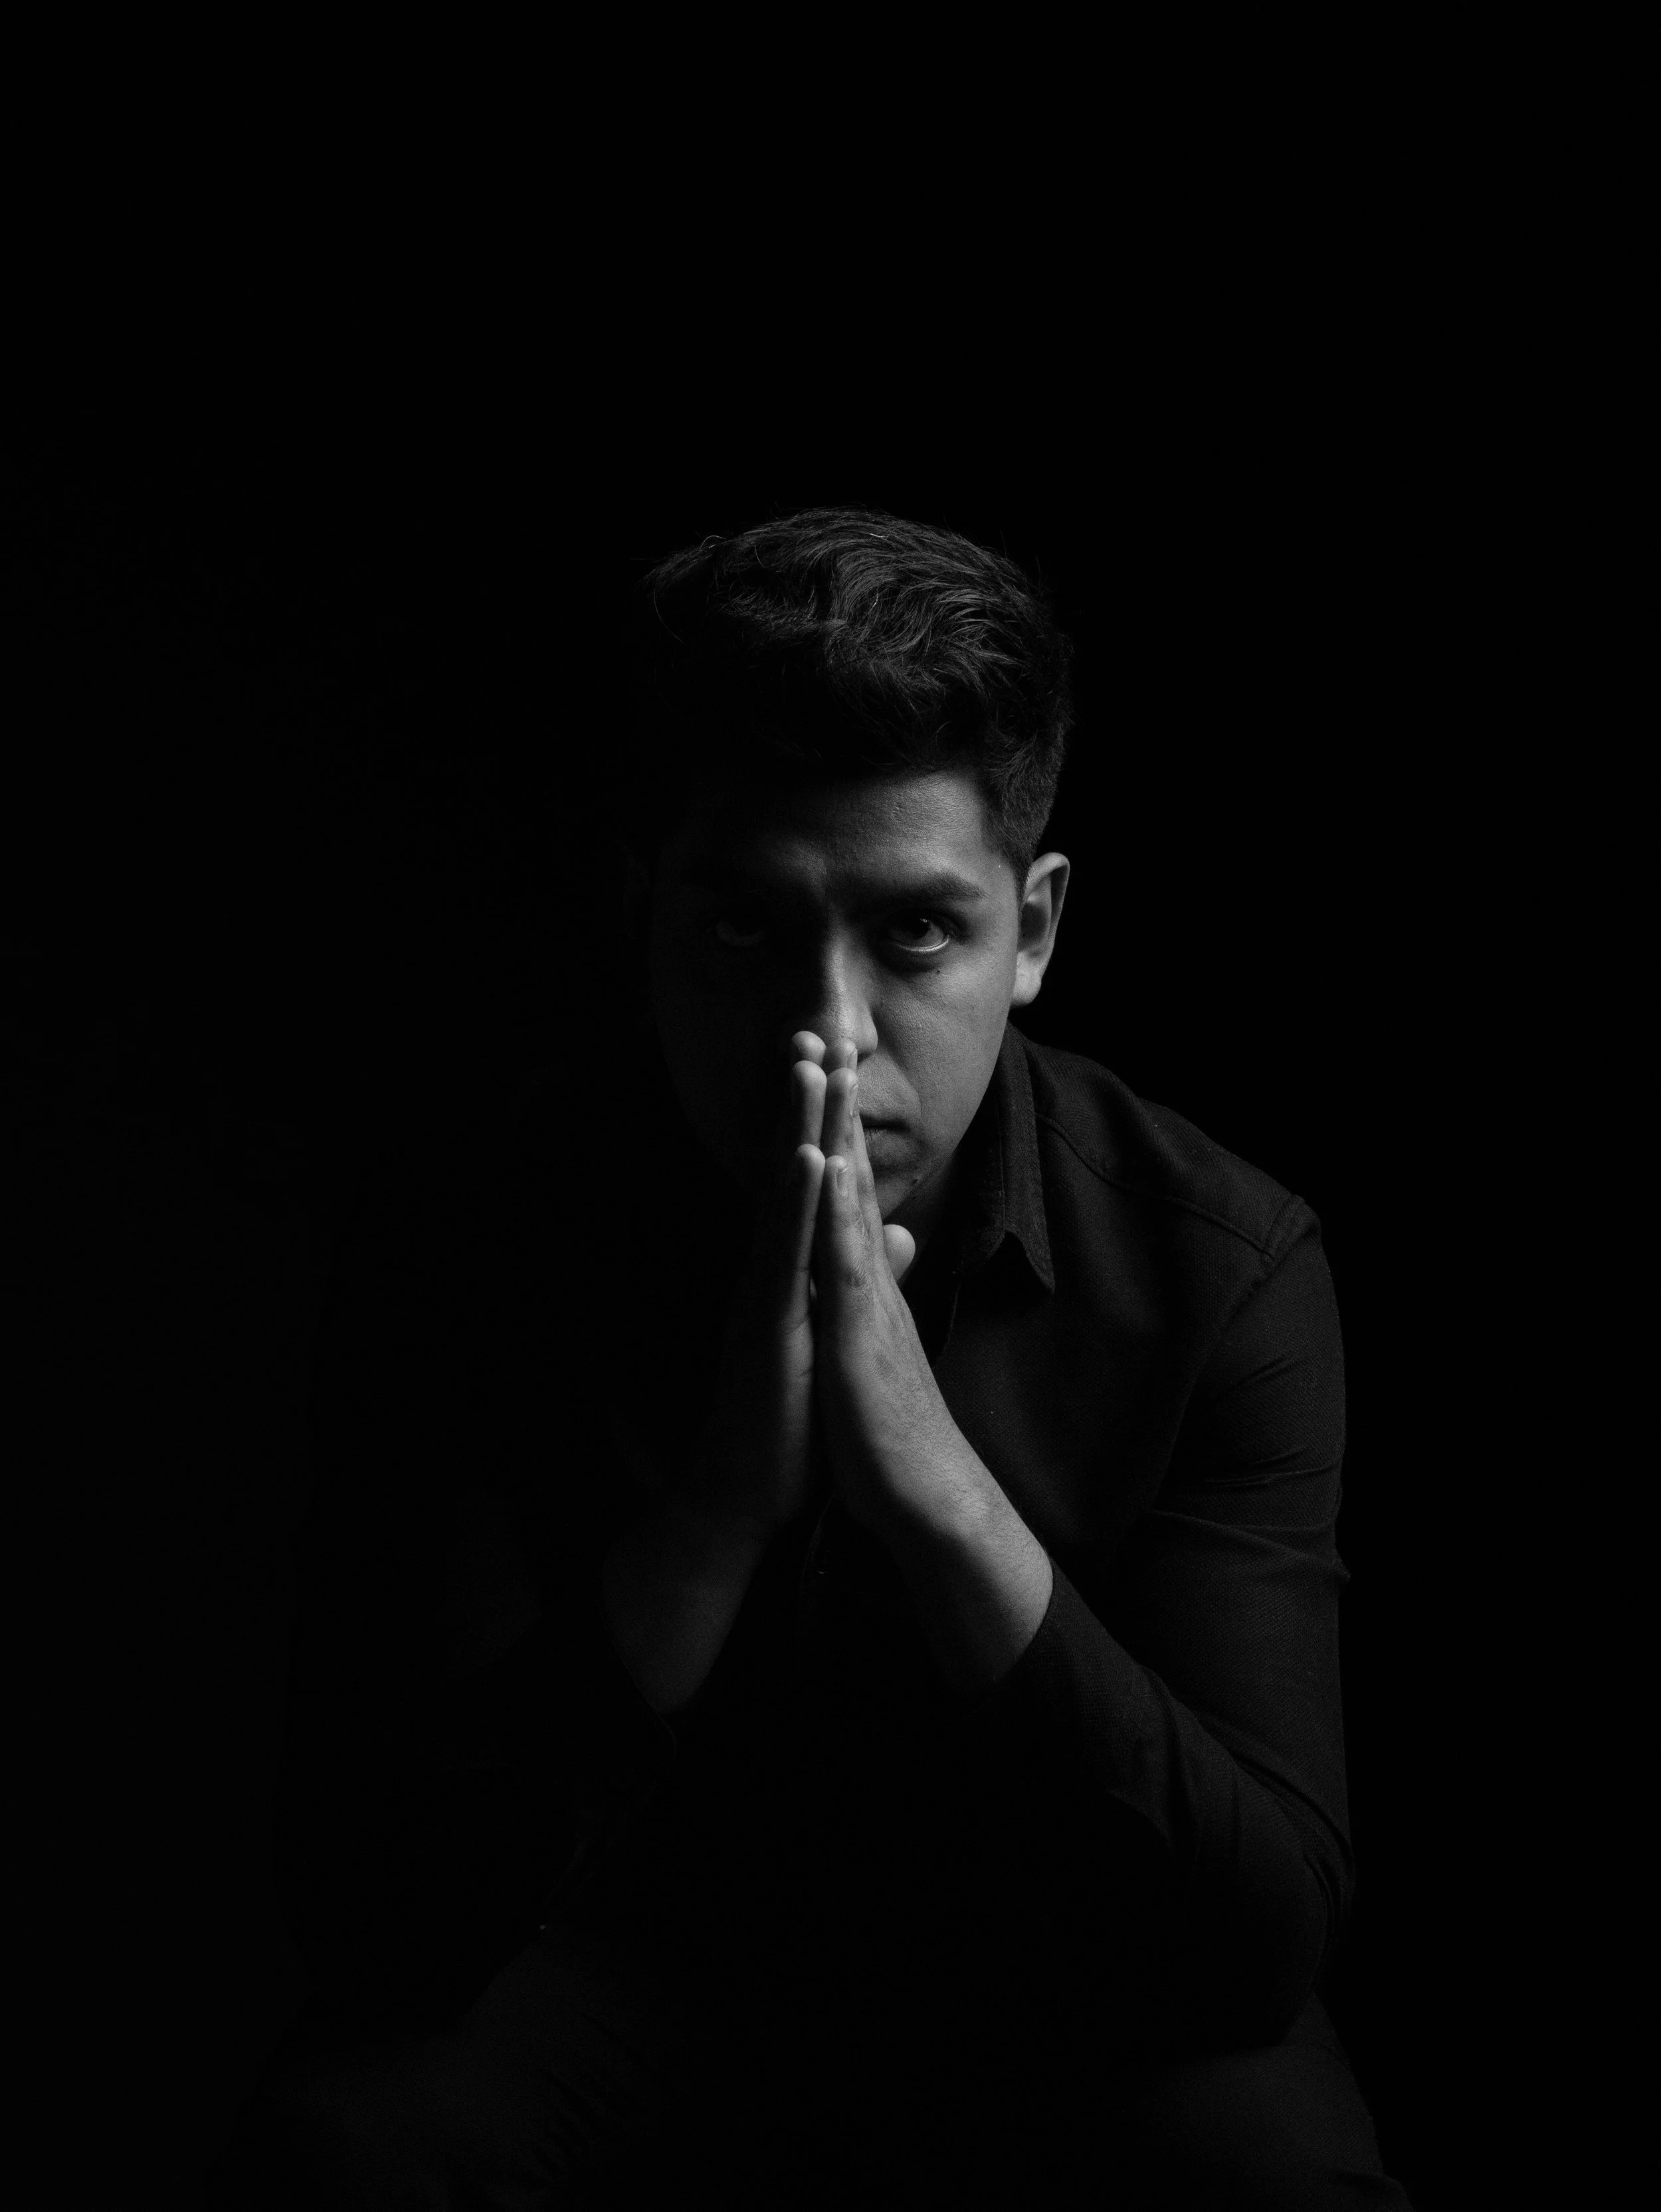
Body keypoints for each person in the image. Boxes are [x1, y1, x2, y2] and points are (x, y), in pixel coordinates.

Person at [208, 508, 1411, 2207]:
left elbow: (1257, 1937)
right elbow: (370, 1904)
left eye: (917, 933)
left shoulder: (1220, 1264)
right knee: (351, 2150)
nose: (824, 1035)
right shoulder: (477, 1232)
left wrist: (937, 1495)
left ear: (1036, 930)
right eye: (741, 930)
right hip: (619, 1957)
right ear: (646, 916)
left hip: (1045, 1969)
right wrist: (713, 1514)